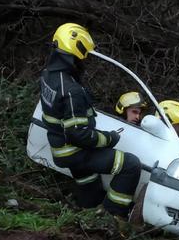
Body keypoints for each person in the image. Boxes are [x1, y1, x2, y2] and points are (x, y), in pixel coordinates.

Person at [39, 23, 140, 217]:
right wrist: (108, 139)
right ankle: (112, 217)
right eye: (83, 56)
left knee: (88, 180)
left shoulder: (48, 76)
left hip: (60, 149)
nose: (84, 62)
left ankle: (88, 214)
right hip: (75, 151)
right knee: (130, 165)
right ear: (75, 54)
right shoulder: (71, 90)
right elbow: (78, 135)